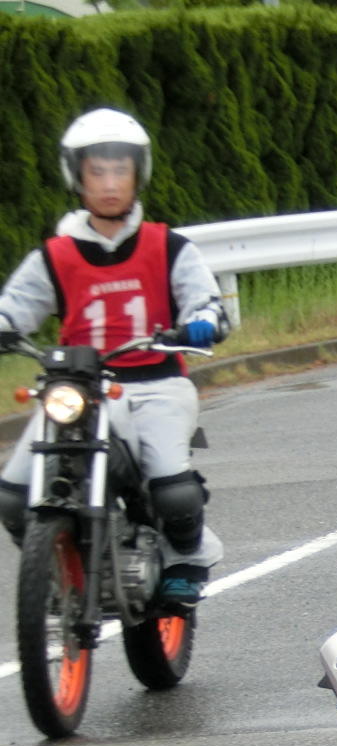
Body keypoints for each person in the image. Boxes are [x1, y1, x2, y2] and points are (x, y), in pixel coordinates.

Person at [0, 108, 229, 604]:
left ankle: (187, 558)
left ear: (137, 174)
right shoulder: (55, 254)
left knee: (171, 484)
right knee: (13, 495)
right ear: (76, 176)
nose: (108, 183)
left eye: (119, 170)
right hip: (77, 386)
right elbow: (14, 308)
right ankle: (56, 562)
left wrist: (203, 321)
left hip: (156, 382)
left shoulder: (168, 246)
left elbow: (206, 302)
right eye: (96, 172)